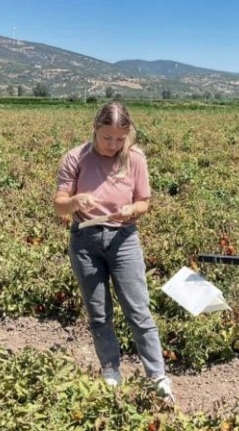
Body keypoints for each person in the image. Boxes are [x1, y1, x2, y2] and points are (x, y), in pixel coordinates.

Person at [53, 101, 174, 402]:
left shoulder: (134, 159)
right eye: (107, 138)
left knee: (138, 310)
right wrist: (76, 201)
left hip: (123, 239)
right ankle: (111, 371)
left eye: (120, 139)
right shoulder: (75, 158)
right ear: (95, 129)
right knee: (99, 313)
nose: (113, 145)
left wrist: (132, 209)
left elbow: (144, 201)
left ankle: (157, 376)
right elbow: (59, 204)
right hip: (85, 242)